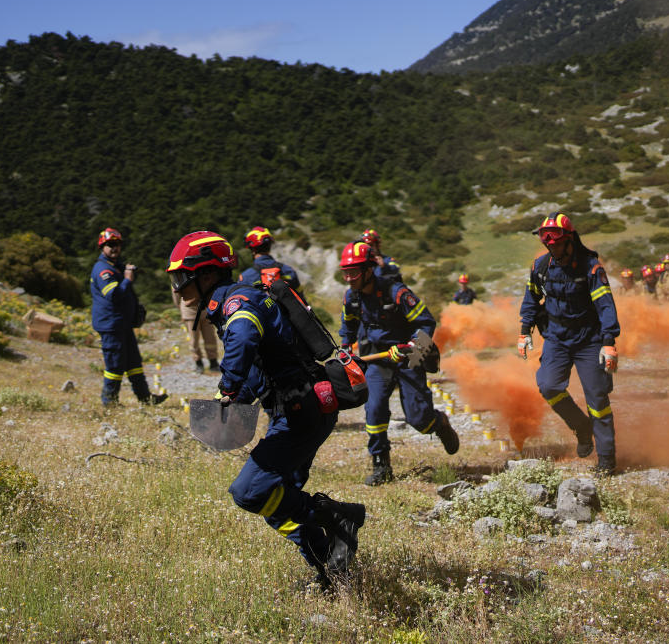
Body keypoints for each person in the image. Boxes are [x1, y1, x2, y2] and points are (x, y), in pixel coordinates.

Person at [166, 230, 364, 591]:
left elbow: (243, 337)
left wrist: (226, 388)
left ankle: (339, 515)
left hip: (301, 410)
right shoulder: (236, 299)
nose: (178, 288)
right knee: (278, 505)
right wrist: (237, 399)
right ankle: (333, 575)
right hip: (297, 409)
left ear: (207, 275)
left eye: (182, 277)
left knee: (249, 491)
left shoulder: (236, 302)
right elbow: (259, 365)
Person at [338, 241, 459, 486]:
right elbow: (348, 327)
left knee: (419, 420)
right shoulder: (351, 298)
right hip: (376, 359)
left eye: (354, 272)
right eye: (345, 272)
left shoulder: (396, 291)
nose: (349, 278)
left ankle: (440, 423)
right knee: (374, 410)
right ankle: (381, 466)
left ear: (369, 270)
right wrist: (344, 348)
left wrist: (411, 346)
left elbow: (426, 323)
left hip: (408, 357)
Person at [517, 212, 620, 474]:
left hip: (589, 341)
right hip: (557, 339)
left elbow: (606, 306)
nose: (551, 246)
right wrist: (524, 331)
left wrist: (609, 342)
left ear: (569, 239)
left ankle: (607, 460)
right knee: (548, 386)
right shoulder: (540, 267)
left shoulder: (591, 268)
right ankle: (582, 427)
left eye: (555, 242)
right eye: (546, 242)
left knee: (597, 399)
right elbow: (531, 299)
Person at [89, 228, 166, 407]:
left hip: (122, 324)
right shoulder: (102, 269)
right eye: (110, 245)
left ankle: (146, 399)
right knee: (115, 365)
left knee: (133, 363)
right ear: (102, 247)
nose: (114, 248)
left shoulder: (115, 266)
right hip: (111, 325)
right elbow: (114, 294)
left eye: (117, 244)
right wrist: (128, 279)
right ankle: (109, 402)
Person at [171, 285, 219, 372]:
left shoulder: (201, 273)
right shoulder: (179, 275)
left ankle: (213, 361)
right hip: (190, 313)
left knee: (210, 337)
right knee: (194, 339)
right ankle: (198, 362)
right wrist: (181, 308)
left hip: (205, 311)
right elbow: (176, 295)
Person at [239, 226, 300, 290]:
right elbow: (300, 296)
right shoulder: (288, 270)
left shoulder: (245, 277)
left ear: (253, 250)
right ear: (270, 246)